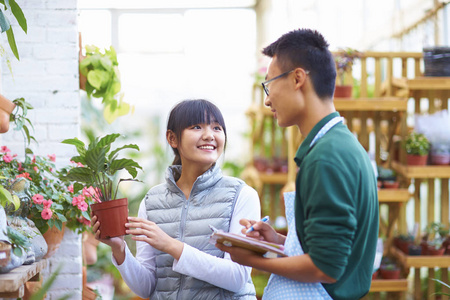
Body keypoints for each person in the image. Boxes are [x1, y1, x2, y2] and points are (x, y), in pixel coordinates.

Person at [216, 29, 379, 300]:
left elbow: (325, 267)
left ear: (297, 78)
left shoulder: (326, 158)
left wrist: (252, 260)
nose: (267, 100)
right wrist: (280, 242)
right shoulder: (342, 145)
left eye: (269, 85)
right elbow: (333, 248)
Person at [91, 99, 260, 300]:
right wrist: (120, 249)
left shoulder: (241, 195)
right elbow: (147, 287)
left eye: (217, 127)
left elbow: (238, 277)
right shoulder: (152, 201)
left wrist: (172, 246)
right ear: (172, 138)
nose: (209, 135)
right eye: (197, 127)